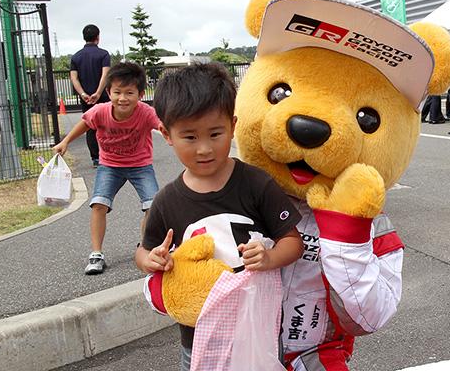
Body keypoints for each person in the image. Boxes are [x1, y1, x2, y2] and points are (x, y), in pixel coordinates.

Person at [134, 63, 304, 371]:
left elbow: (293, 242)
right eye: (189, 137)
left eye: (215, 133)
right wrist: (151, 260)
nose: (204, 149)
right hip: (198, 336)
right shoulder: (167, 201)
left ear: (233, 125)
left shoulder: (256, 183)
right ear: (166, 134)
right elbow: (143, 251)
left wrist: (269, 257)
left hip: (257, 330)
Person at [54, 62, 161, 275]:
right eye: (117, 92)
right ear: (108, 92)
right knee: (99, 204)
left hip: (140, 165)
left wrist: (176, 140)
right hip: (109, 165)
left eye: (129, 92)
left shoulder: (146, 113)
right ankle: (96, 253)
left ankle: (145, 247)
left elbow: (164, 126)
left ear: (140, 94)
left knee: (153, 204)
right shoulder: (101, 111)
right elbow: (85, 123)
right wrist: (65, 141)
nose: (123, 98)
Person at [70, 24, 111, 168]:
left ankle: (96, 158)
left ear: (83, 37)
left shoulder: (76, 57)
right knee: (108, 125)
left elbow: (74, 78)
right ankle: (110, 155)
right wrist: (98, 93)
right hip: (103, 97)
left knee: (90, 126)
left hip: (86, 99)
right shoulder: (104, 54)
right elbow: (105, 74)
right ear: (98, 37)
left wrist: (83, 94)